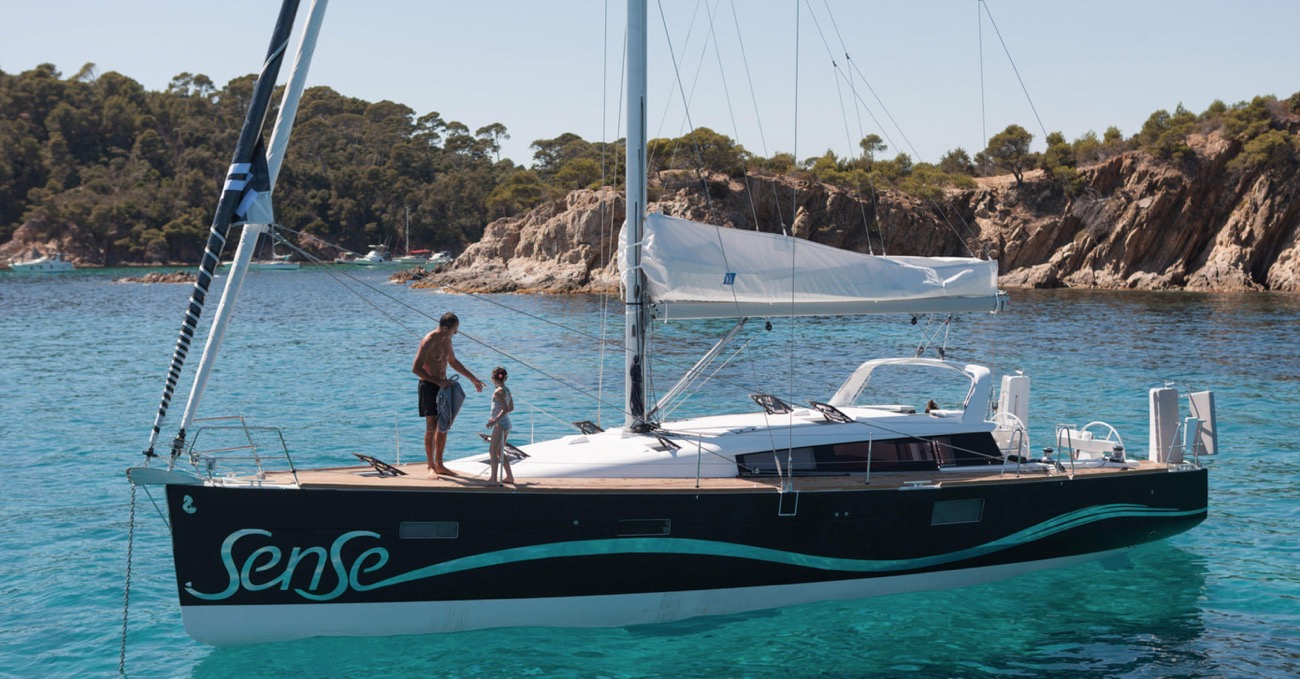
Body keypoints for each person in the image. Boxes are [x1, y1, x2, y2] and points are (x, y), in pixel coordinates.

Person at [412, 312, 484, 479]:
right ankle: (430, 466)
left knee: (443, 425)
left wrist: (472, 378)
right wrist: (437, 381)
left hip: (443, 386)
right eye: (454, 330)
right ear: (445, 328)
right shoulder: (429, 340)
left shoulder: (447, 340)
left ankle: (440, 464)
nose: (456, 333)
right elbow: (416, 368)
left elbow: (452, 361)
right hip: (429, 386)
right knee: (431, 426)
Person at [485, 366, 515, 486]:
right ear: (505, 378)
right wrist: (496, 417)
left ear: (493, 378)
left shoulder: (498, 392)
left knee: (492, 451)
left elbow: (506, 408)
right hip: (506, 423)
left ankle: (493, 479)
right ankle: (509, 477)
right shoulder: (507, 390)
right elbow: (511, 408)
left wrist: (495, 420)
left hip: (501, 424)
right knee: (499, 451)